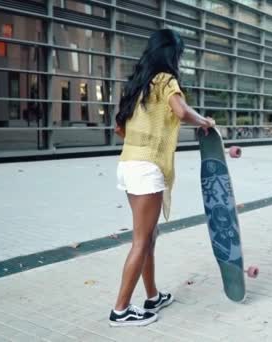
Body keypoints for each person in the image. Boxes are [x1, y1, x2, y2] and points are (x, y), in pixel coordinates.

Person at [110, 29, 215, 327]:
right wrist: (205, 121)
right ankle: (120, 310)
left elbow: (120, 127)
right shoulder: (165, 81)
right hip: (146, 168)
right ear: (172, 55)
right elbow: (180, 112)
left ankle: (152, 296)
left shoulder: (137, 84)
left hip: (128, 165)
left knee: (149, 236)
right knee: (141, 241)